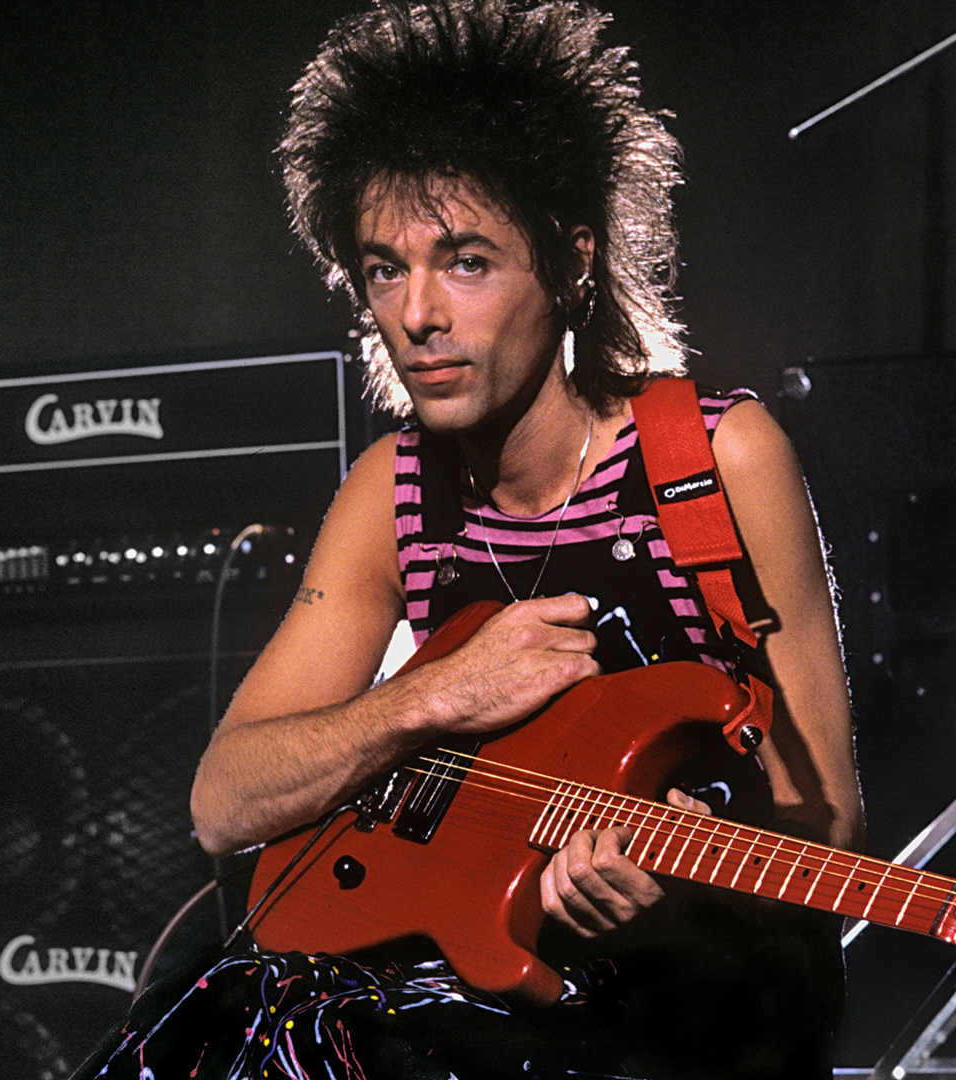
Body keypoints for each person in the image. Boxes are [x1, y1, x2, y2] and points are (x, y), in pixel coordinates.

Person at [77, 2, 861, 1077]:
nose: (418, 313)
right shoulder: (394, 490)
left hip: (709, 998)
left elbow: (830, 822)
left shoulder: (714, 458)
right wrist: (432, 698)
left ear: (571, 259)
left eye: (468, 262)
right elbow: (225, 802)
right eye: (385, 269)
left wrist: (662, 897)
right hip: (458, 987)